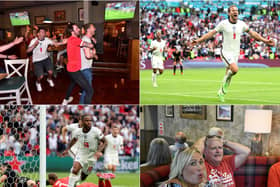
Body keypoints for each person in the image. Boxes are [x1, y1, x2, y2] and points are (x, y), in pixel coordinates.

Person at [191, 5, 275, 102]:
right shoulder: (223, 24)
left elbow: (253, 33)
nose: (236, 12)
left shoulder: (242, 24)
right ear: (229, 13)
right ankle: (222, 89)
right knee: (234, 69)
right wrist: (198, 40)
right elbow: (211, 33)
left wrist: (265, 41)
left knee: (230, 72)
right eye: (233, 11)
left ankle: (221, 92)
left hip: (235, 53)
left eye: (237, 10)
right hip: (226, 52)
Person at [62, 114, 106, 187]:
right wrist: (67, 149)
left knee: (83, 176)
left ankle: (75, 182)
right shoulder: (78, 131)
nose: (89, 122)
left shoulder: (96, 131)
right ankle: (70, 185)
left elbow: (105, 142)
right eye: (86, 120)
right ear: (82, 121)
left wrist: (99, 151)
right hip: (81, 152)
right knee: (75, 170)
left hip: (92, 155)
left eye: (90, 120)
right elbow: (73, 140)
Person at [26, 27, 67, 92]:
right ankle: (38, 82)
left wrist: (63, 42)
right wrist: (34, 45)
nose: (43, 34)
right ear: (38, 34)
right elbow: (27, 51)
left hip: (45, 58)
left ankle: (49, 79)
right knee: (41, 76)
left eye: (44, 32)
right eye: (41, 32)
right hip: (37, 61)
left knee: (51, 72)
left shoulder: (47, 39)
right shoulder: (34, 41)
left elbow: (55, 44)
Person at [62, 23, 94, 104]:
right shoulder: (74, 39)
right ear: (72, 31)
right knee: (90, 91)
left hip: (71, 69)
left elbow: (65, 41)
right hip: (74, 70)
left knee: (73, 83)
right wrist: (91, 45)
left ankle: (66, 100)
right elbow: (87, 44)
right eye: (76, 29)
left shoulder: (71, 39)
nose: (79, 29)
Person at [79, 23, 98, 104]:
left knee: (85, 90)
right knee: (88, 91)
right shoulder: (86, 40)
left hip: (85, 68)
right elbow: (87, 56)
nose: (95, 29)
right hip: (85, 69)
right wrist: (94, 55)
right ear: (88, 30)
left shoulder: (87, 39)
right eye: (93, 27)